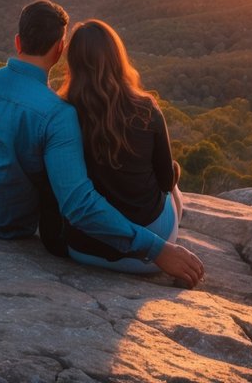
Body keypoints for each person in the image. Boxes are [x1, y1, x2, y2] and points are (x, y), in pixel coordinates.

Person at [0, 0, 205, 288]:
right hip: (4, 225)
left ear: (18, 42)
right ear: (58, 50)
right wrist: (156, 248)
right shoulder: (56, 114)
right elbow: (78, 204)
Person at [57, 19, 182, 274]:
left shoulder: (62, 113)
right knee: (174, 184)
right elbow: (165, 182)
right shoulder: (147, 109)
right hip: (151, 254)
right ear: (117, 57)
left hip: (85, 249)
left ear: (73, 64)